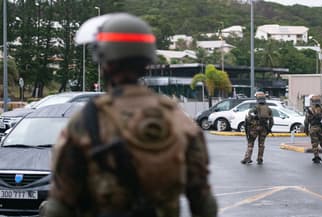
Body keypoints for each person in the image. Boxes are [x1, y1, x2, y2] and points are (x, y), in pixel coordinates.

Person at [41, 13, 217, 217]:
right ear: (146, 60)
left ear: (105, 62)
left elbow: (60, 205)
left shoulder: (85, 121)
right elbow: (203, 202)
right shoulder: (179, 119)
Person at [241, 92, 274, 165]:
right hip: (264, 129)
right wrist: (268, 129)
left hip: (254, 129)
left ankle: (247, 158)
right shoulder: (268, 109)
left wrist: (250, 126)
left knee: (250, 144)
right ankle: (260, 159)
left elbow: (249, 119)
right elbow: (271, 121)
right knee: (261, 144)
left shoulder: (254, 108)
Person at [304, 95, 322, 164]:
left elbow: (306, 122)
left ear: (312, 102)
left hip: (313, 129)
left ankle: (316, 158)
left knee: (314, 144)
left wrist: (306, 130)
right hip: (321, 129)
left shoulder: (310, 110)